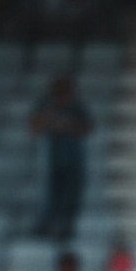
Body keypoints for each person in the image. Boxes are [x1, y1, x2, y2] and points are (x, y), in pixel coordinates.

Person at [30, 74, 93, 242]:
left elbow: (87, 127)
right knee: (48, 195)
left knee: (69, 195)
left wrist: (65, 125)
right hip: (51, 158)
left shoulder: (76, 106)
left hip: (72, 159)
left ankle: (66, 227)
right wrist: (51, 121)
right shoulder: (45, 105)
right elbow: (33, 126)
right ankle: (45, 225)